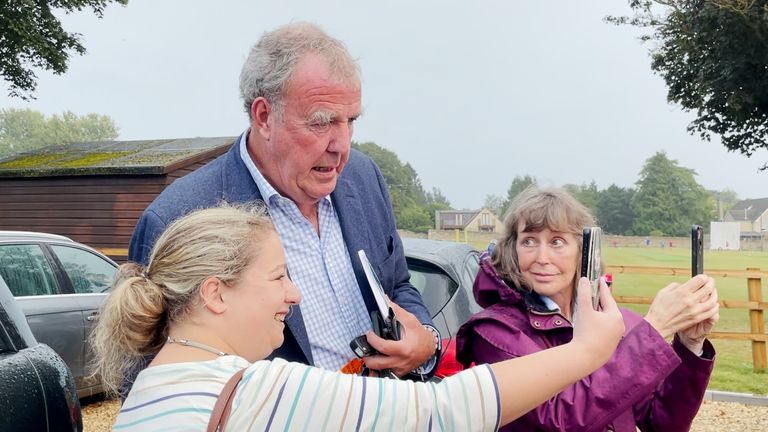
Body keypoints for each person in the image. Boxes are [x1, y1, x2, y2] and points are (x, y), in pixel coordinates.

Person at [92, 204, 626, 431]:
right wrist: (588, 351)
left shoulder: (152, 389)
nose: (294, 294)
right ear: (215, 293)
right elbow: (444, 409)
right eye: (278, 277)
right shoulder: (251, 389)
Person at [126, 22, 438, 388]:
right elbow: (150, 379)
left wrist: (425, 340)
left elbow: (398, 284)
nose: (341, 146)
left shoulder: (363, 176)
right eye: (321, 122)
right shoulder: (180, 216)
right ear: (264, 116)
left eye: (350, 121)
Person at [456, 187, 719, 432]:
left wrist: (689, 344)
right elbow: (563, 418)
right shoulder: (494, 332)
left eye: (557, 241)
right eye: (529, 241)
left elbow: (663, 422)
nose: (542, 258)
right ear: (513, 250)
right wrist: (655, 329)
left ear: (583, 252)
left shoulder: (615, 323)